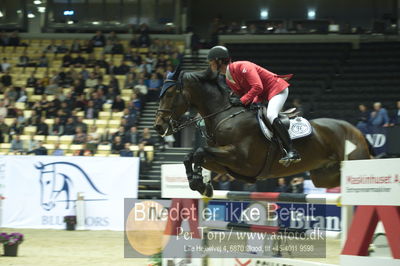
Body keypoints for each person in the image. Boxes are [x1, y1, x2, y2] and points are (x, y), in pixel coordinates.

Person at [207, 45, 300, 165]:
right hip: (262, 96)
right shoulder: (228, 79)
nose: (210, 65)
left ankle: (291, 151)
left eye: (211, 62)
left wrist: (242, 100)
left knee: (271, 115)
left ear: (219, 61)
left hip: (277, 89)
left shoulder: (243, 66)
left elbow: (257, 86)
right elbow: (246, 96)